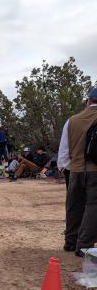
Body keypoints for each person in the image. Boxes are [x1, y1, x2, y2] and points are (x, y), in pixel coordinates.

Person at [59, 87, 97, 257]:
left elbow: (63, 151)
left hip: (75, 169)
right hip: (95, 170)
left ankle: (70, 241)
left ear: (88, 100)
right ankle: (84, 245)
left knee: (74, 206)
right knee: (93, 206)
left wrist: (70, 167)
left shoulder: (72, 121)